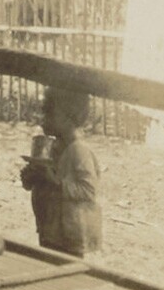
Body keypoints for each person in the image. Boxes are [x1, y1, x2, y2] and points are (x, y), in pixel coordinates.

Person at [20, 86, 103, 258]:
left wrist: (54, 181)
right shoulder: (52, 146)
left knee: (66, 268)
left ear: (69, 117)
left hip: (70, 233)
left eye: (49, 114)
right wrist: (31, 178)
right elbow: (45, 179)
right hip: (50, 227)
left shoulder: (78, 151)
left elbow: (88, 190)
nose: (43, 120)